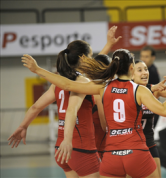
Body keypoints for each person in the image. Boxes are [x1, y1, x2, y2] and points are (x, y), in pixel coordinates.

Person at [21, 41, 166, 178]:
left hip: (111, 155)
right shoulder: (140, 90)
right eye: (138, 68)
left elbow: (67, 84)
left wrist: (38, 70)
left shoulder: (103, 87)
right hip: (135, 151)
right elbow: (165, 110)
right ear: (131, 69)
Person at [8, 26, 121, 178]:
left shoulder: (57, 82)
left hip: (61, 149)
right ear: (83, 58)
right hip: (79, 148)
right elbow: (71, 110)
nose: (92, 60)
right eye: (90, 56)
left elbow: (36, 107)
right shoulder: (81, 82)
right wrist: (68, 141)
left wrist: (23, 126)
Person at [92, 54, 111, 159]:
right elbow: (105, 127)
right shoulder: (100, 91)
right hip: (100, 149)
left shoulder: (84, 85)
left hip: (84, 147)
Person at [140, 45, 161, 127]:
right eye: (142, 56)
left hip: (150, 108)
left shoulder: (151, 72)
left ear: (153, 58)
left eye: (146, 56)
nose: (143, 59)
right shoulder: (148, 69)